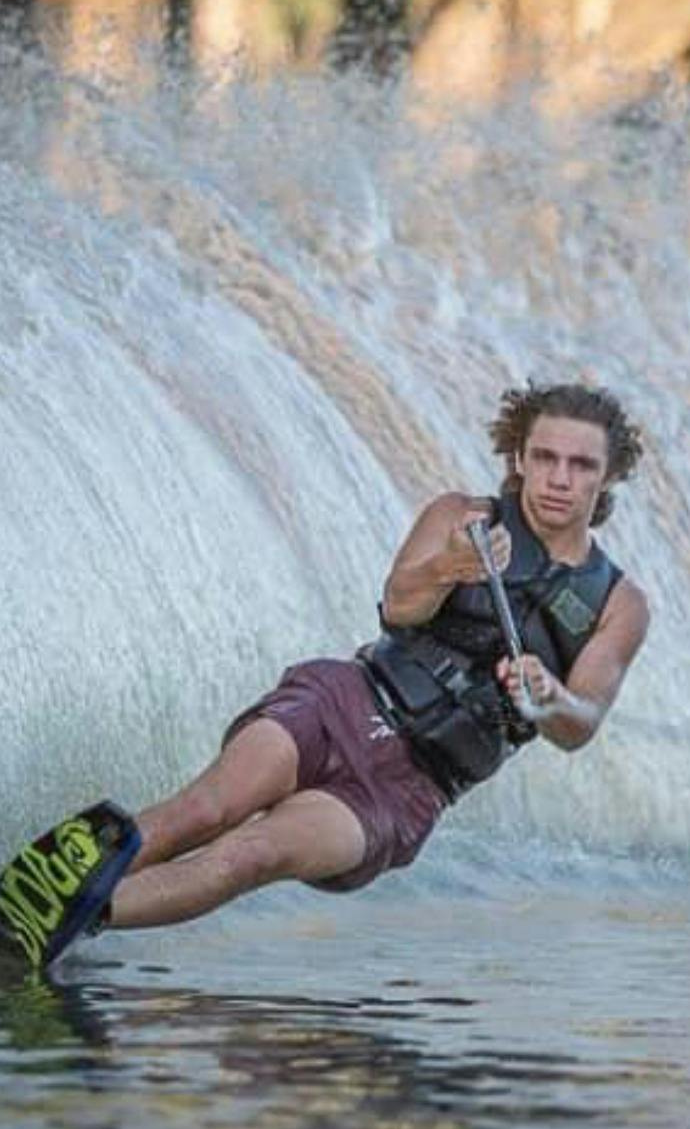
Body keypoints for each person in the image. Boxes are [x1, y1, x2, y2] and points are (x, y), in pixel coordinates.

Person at [98, 381, 650, 929]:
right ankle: (60, 896)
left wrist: (552, 697)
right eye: (545, 457)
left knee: (251, 855)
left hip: (408, 786)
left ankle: (73, 921)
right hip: (343, 703)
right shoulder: (462, 518)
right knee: (205, 810)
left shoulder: (618, 603)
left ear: (609, 476)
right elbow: (399, 606)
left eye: (581, 465)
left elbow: (581, 724)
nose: (559, 478)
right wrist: (450, 567)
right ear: (519, 458)